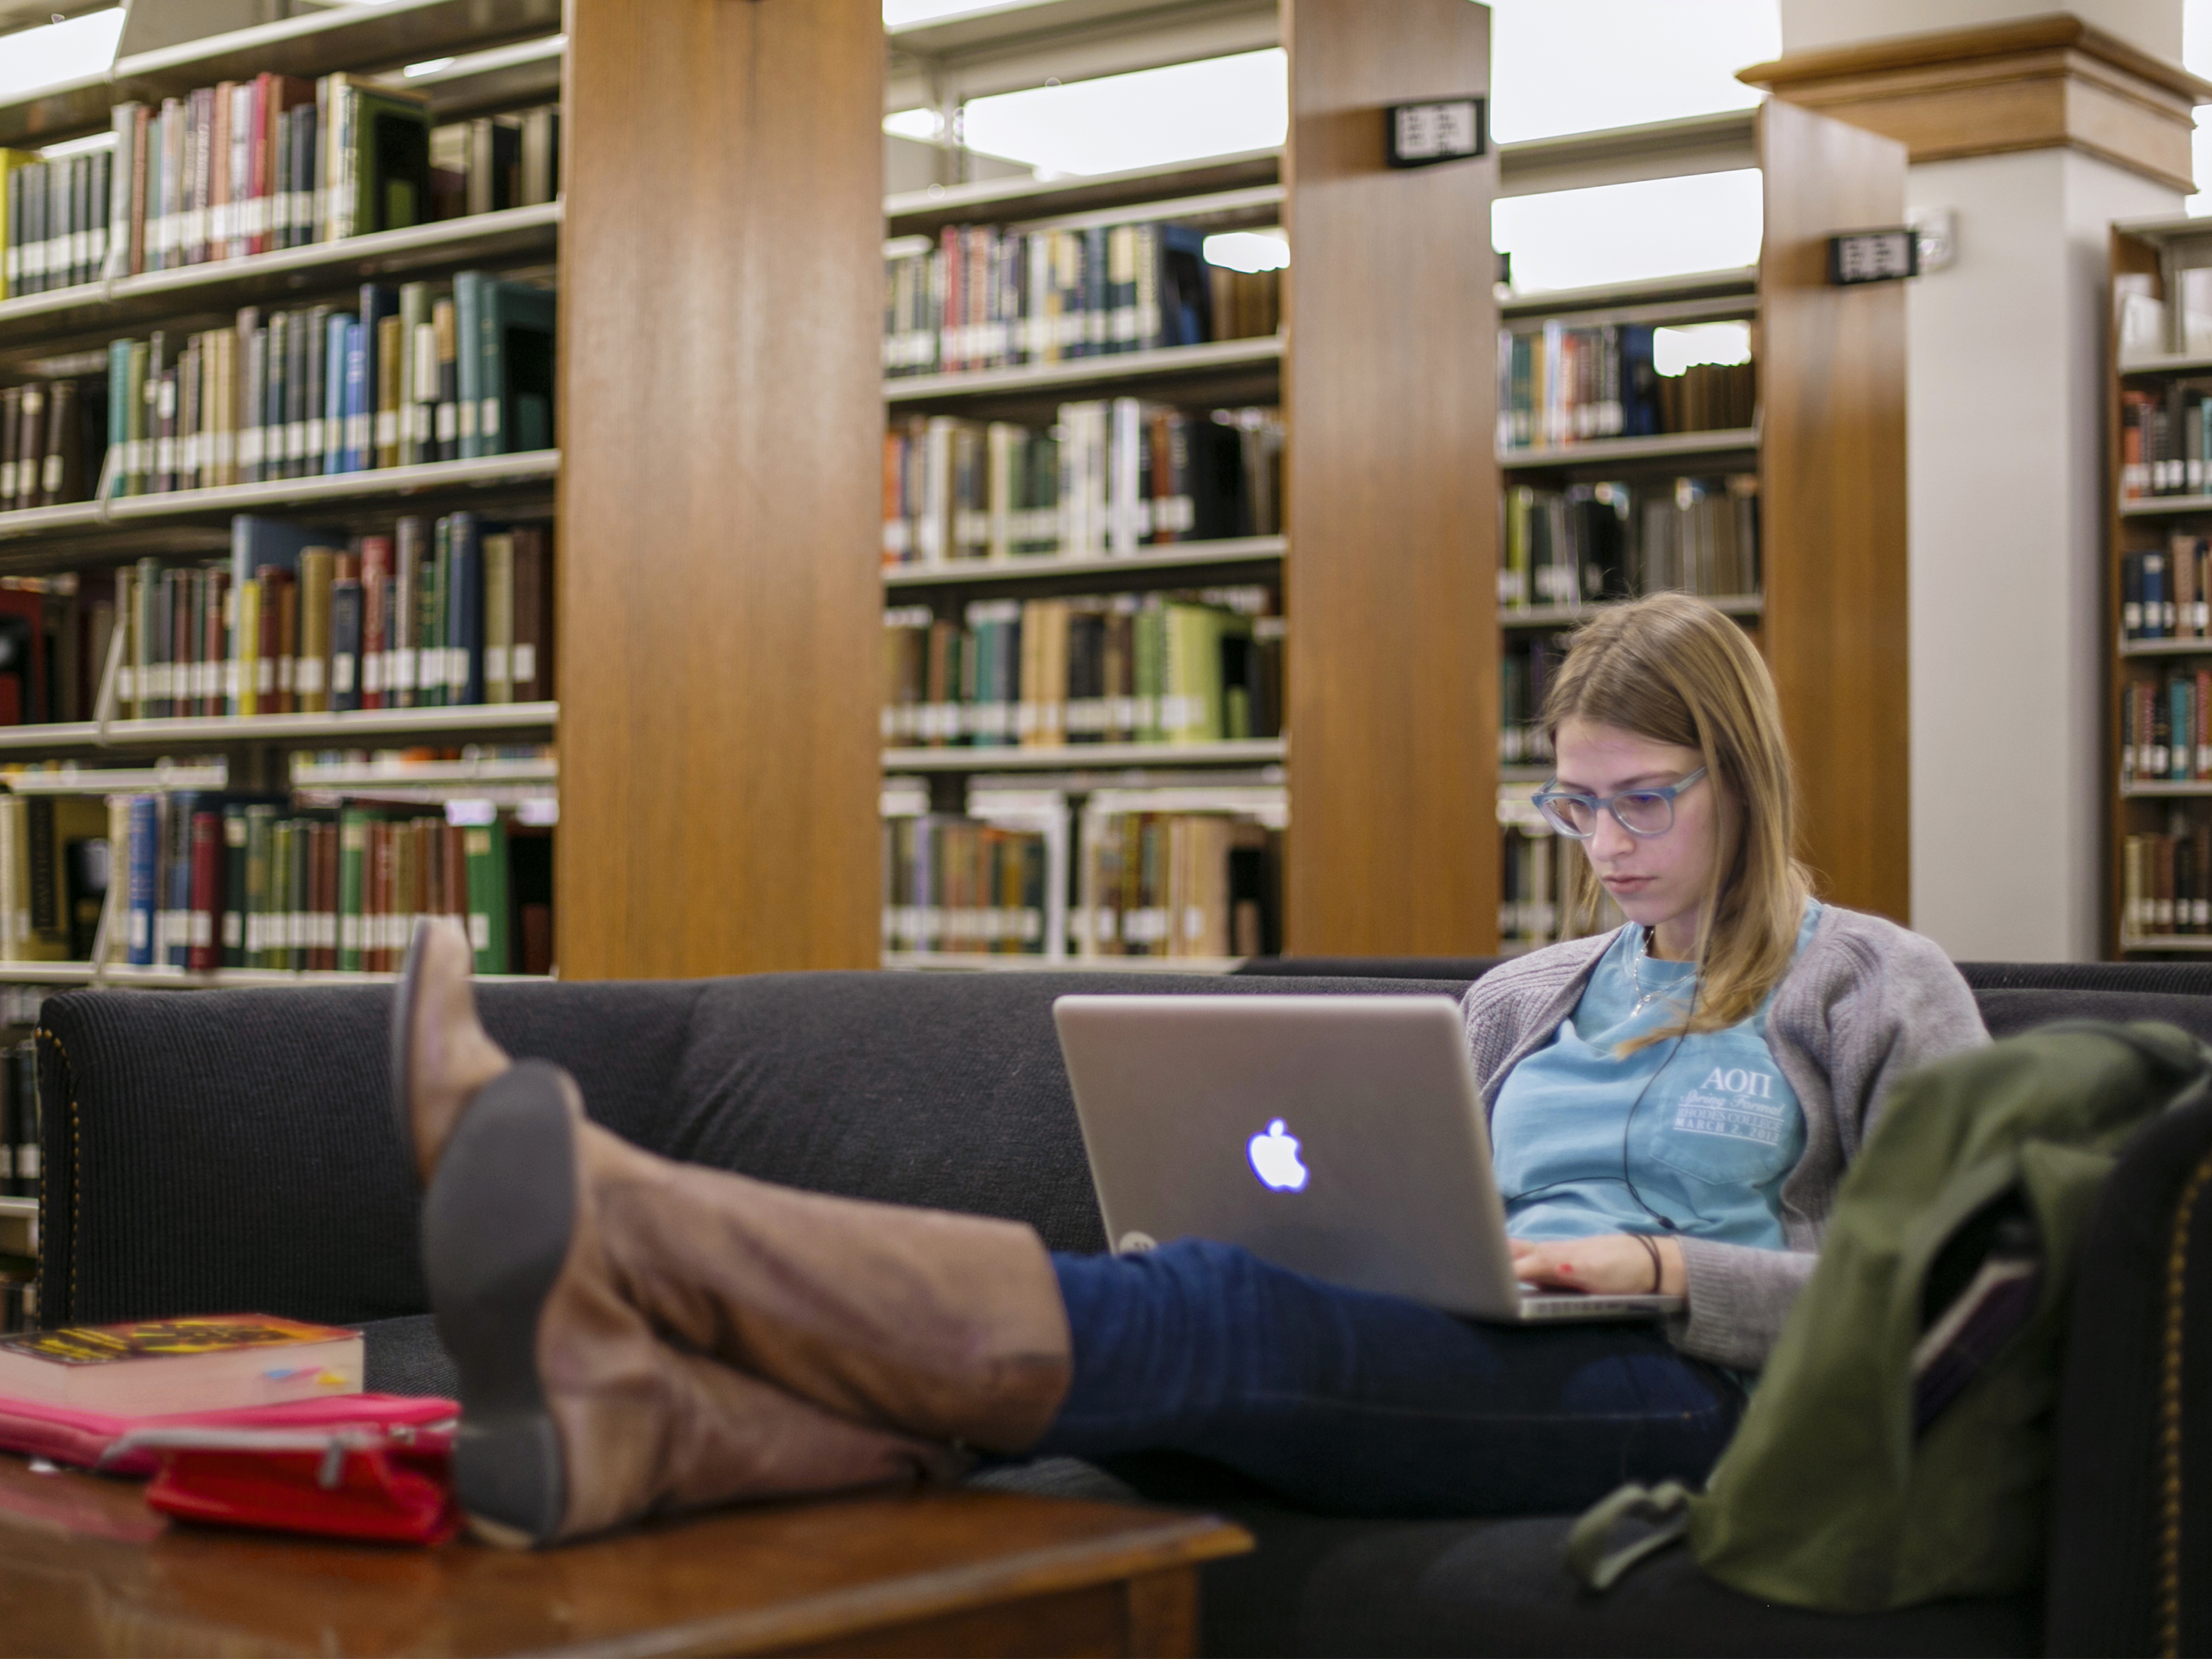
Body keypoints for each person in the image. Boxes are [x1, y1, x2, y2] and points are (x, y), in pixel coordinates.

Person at [397, 592, 1987, 1547]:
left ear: (1746, 778)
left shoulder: (1869, 983)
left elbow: (1940, 1300)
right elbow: (1405, 1196)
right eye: (1573, 808)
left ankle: (634, 1217)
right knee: (1174, 1345)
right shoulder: (1524, 998)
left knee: (1210, 1324)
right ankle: (641, 1434)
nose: (1609, 846)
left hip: (1697, 1393)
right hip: (1492, 1336)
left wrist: (1651, 1263)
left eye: (1645, 800)